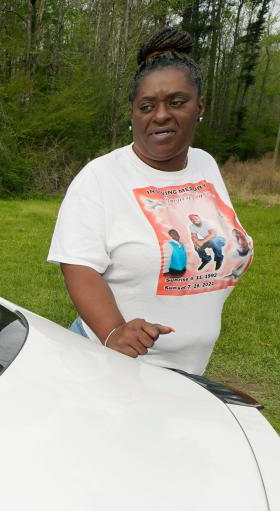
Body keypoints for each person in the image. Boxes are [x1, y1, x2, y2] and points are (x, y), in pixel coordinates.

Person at [48, 27, 253, 375]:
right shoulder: (101, 177)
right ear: (133, 114)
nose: (160, 115)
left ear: (199, 107)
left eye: (176, 102)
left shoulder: (205, 165)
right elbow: (78, 264)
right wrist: (113, 330)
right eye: (147, 106)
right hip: (114, 366)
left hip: (187, 372)